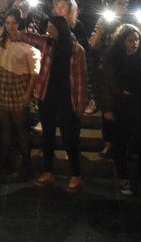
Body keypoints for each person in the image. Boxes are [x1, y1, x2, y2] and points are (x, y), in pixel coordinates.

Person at [0, 0, 40, 179]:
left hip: (18, 87)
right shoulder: (0, 36)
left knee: (20, 127)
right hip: (0, 84)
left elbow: (35, 72)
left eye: (14, 23)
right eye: (7, 23)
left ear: (20, 24)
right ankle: (5, 160)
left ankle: (26, 163)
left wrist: (28, 93)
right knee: (4, 126)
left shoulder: (28, 43)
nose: (10, 26)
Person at [35, 14, 88, 192]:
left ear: (60, 30)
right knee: (47, 134)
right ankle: (48, 171)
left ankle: (76, 174)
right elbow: (30, 37)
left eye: (52, 27)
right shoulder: (47, 43)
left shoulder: (76, 50)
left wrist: (80, 103)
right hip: (47, 95)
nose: (48, 30)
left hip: (67, 98)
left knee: (69, 136)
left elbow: (81, 78)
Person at [99, 22, 141, 196]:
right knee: (120, 142)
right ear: (122, 41)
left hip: (139, 105)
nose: (134, 43)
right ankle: (124, 177)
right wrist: (107, 108)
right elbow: (105, 84)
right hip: (120, 104)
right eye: (130, 40)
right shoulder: (113, 59)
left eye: (137, 40)